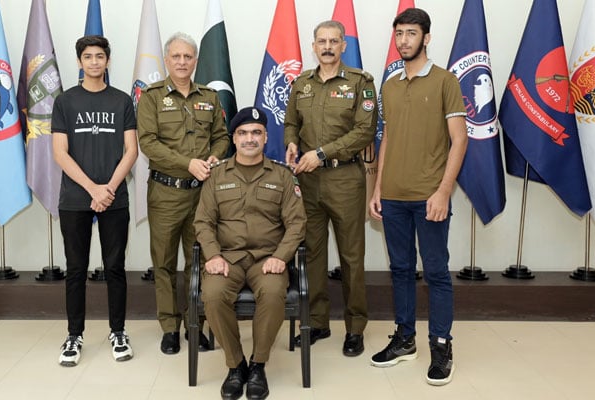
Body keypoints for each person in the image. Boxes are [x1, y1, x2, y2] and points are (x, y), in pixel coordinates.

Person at [368, 8, 467, 386]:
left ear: (426, 38)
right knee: (401, 270)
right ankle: (404, 339)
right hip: (392, 196)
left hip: (430, 198)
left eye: (411, 33)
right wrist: (377, 188)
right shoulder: (390, 84)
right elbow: (388, 136)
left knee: (437, 273)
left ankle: (441, 347)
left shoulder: (445, 81)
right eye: (399, 34)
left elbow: (460, 140)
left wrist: (443, 192)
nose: (403, 40)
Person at [195, 107, 306, 400]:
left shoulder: (282, 176)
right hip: (227, 259)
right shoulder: (216, 176)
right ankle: (236, 365)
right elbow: (203, 222)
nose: (250, 139)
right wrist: (213, 256)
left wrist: (281, 257)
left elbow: (297, 223)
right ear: (234, 138)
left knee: (271, 293)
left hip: (266, 260)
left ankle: (258, 365)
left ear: (266, 136)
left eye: (256, 132)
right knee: (214, 295)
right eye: (243, 133)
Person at [284, 20, 377, 357]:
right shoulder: (302, 84)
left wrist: (321, 154)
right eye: (321, 41)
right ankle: (318, 323)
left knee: (352, 257)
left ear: (343, 46)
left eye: (333, 41)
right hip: (307, 182)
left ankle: (355, 328)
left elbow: (365, 131)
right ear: (313, 46)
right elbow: (291, 121)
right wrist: (291, 142)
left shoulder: (361, 83)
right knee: (311, 255)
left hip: (345, 180)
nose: (327, 47)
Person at [137, 32, 229, 355]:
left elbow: (222, 136)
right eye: (176, 56)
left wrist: (215, 156)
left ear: (195, 61)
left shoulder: (210, 97)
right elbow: (147, 143)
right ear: (166, 59)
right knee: (163, 262)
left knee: (198, 261)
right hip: (166, 192)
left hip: (201, 195)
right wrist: (187, 163)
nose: (182, 62)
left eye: (187, 57)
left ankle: (195, 324)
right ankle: (169, 327)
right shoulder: (151, 97)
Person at [52, 35, 138, 366]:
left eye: (99, 56)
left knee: (115, 267)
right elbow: (60, 153)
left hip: (114, 199)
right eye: (87, 57)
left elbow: (131, 150)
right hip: (75, 199)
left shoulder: (121, 101)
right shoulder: (65, 102)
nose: (94, 62)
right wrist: (93, 189)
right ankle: (74, 335)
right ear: (79, 61)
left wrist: (109, 189)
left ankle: (118, 331)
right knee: (76, 269)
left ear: (108, 61)